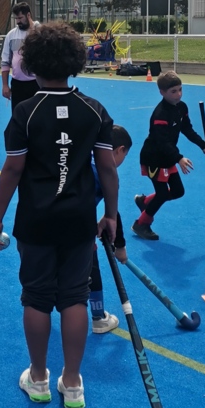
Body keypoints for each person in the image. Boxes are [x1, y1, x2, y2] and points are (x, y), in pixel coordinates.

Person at [0, 21, 121, 408]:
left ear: (33, 63)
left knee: (37, 297)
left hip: (36, 221)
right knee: (74, 299)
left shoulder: (26, 112)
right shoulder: (94, 110)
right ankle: (74, 383)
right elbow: (108, 169)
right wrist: (111, 215)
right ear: (75, 61)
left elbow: (13, 170)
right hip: (79, 219)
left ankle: (40, 377)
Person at [132, 71, 205, 241]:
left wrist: (203, 145)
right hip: (154, 158)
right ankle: (141, 224)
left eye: (180, 89)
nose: (179, 94)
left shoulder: (181, 108)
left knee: (177, 191)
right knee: (161, 194)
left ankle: (145, 202)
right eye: (173, 91)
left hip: (167, 156)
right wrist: (179, 158)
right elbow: (162, 143)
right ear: (162, 92)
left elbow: (187, 129)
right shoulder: (160, 114)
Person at [89, 125, 132, 332]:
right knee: (90, 263)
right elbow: (113, 214)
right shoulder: (108, 172)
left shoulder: (81, 157)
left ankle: (41, 303)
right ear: (119, 150)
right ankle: (98, 317)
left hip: (47, 219)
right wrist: (120, 247)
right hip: (77, 224)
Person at [0, 2, 39, 109]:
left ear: (28, 15)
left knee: (38, 117)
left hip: (38, 83)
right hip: (18, 85)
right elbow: (5, 62)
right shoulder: (11, 35)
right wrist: (5, 85)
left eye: (20, 18)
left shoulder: (40, 32)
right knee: (18, 117)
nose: (18, 21)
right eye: (16, 18)